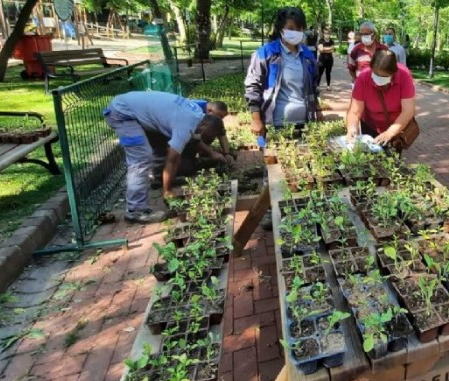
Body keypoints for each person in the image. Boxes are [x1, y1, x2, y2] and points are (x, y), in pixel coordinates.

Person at [104, 92, 229, 223]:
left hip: (133, 108)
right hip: (123, 113)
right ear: (203, 126)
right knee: (141, 160)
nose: (206, 140)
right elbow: (172, 161)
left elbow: (195, 138)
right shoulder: (186, 125)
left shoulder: (197, 114)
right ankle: (136, 211)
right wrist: (168, 192)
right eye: (207, 137)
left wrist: (213, 153)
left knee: (157, 145)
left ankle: (158, 180)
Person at [244, 6, 323, 146]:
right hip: (274, 124)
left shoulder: (308, 56)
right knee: (276, 161)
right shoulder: (266, 54)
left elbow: (313, 86)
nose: (296, 32)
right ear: (281, 29)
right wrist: (256, 119)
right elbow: (253, 86)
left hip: (303, 123)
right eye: (291, 28)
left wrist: (318, 110)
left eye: (299, 29)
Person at [149, 100, 230, 188]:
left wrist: (226, 153)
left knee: (188, 163)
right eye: (218, 116)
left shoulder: (201, 117)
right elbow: (193, 138)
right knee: (174, 155)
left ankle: (188, 164)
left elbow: (219, 134)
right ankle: (160, 177)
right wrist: (211, 153)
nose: (220, 118)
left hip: (173, 130)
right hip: (158, 129)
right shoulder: (191, 116)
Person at [346, 49, 416, 148]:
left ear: (393, 73)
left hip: (395, 125)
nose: (379, 79)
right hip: (370, 125)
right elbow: (355, 111)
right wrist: (352, 128)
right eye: (376, 74)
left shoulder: (404, 75)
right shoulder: (363, 78)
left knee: (392, 158)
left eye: (384, 76)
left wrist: (390, 133)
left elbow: (408, 110)